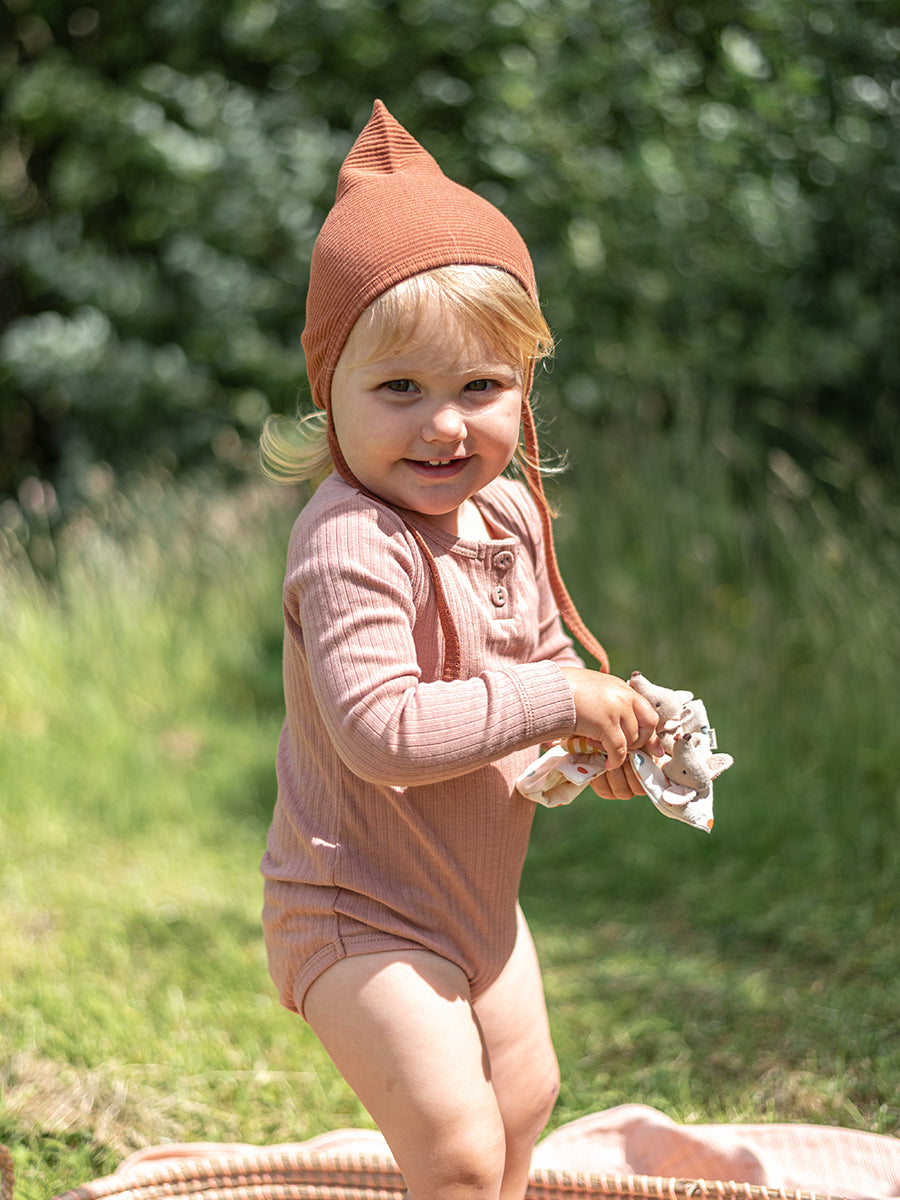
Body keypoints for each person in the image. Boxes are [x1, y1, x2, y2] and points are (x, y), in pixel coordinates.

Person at [260, 100, 661, 1200]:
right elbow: (383, 732)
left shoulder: (511, 515)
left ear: (524, 389)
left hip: (476, 899)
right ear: (330, 391)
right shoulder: (351, 539)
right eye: (400, 388)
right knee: (458, 1150)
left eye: (480, 387)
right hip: (358, 905)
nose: (445, 425)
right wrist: (557, 698)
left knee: (525, 1101)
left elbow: (540, 666)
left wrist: (597, 739)